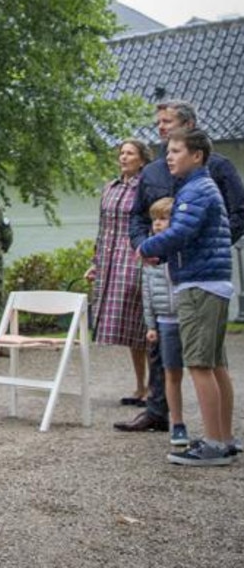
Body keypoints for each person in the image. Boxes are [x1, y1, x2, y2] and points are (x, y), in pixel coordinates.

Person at [117, 99, 244, 434]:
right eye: (158, 123)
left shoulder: (209, 176)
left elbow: (203, 224)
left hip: (198, 274)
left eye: (168, 122)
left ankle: (217, 439)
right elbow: (137, 217)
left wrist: (202, 247)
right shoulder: (155, 172)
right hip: (170, 271)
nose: (160, 129)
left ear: (190, 129)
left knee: (202, 362)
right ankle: (163, 415)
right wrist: (144, 248)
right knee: (167, 350)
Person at [138, 128, 238, 465]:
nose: (169, 156)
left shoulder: (196, 190)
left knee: (197, 364)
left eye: (177, 150)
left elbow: (180, 232)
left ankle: (213, 444)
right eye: (168, 151)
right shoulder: (198, 188)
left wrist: (146, 248)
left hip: (200, 285)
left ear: (197, 156)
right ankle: (224, 439)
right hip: (210, 281)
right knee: (216, 365)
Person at [85, 140, 152, 407]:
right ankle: (139, 386)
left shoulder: (146, 188)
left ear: (142, 160)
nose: (123, 157)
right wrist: (95, 261)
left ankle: (155, 389)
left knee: (143, 323)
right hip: (110, 259)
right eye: (121, 153)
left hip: (134, 258)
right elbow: (103, 229)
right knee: (128, 325)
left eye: (129, 153)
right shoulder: (110, 188)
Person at [140, 198, 187, 448]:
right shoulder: (149, 256)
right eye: (155, 220)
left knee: (203, 368)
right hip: (164, 319)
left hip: (188, 315)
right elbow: (146, 294)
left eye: (163, 218)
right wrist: (150, 325)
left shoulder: (185, 250)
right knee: (171, 372)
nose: (158, 224)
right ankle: (177, 423)